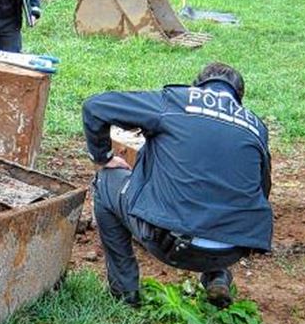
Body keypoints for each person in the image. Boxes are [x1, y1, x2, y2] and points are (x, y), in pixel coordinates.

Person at [82, 63, 273, 309]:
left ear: (197, 86)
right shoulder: (256, 127)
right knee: (220, 191)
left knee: (105, 181)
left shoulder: (175, 102)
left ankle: (124, 292)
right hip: (232, 249)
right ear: (238, 98)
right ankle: (217, 276)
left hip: (169, 243)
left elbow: (95, 107)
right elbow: (262, 191)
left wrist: (103, 158)